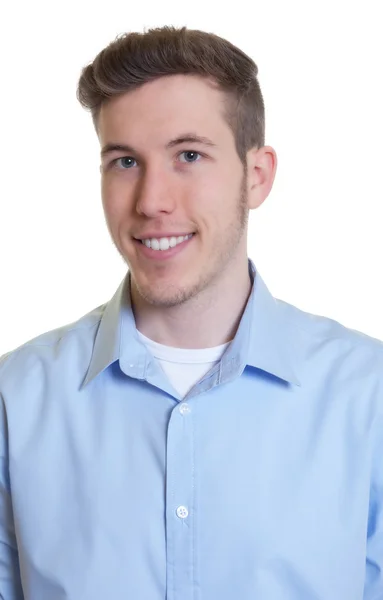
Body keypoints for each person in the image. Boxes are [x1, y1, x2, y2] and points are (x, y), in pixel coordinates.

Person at [0, 25, 382, 600]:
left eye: (188, 155)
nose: (152, 200)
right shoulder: (16, 400)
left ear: (257, 176)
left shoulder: (368, 395)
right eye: (125, 161)